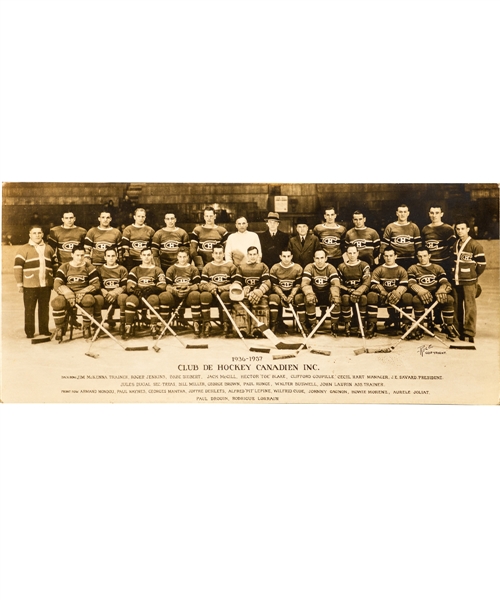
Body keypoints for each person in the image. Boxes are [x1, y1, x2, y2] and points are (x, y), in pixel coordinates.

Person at [14, 225, 57, 338]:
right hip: (29, 285)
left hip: (45, 285)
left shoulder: (49, 249)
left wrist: (53, 281)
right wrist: (20, 283)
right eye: (34, 233)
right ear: (30, 235)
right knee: (29, 308)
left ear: (43, 234)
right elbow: (18, 267)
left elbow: (55, 266)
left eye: (39, 233)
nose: (37, 235)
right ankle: (29, 331)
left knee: (44, 307)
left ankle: (44, 330)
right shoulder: (23, 249)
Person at [51, 246, 101, 341]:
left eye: (82, 255)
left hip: (83, 294)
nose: (80, 257)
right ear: (72, 255)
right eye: (77, 255)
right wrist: (68, 293)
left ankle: (86, 327)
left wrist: (83, 291)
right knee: (57, 303)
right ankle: (59, 328)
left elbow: (96, 284)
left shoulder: (89, 267)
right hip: (68, 294)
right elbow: (57, 283)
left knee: (89, 300)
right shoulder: (65, 267)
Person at [407, 248, 458, 341]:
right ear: (417, 257)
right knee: (415, 300)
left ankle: (448, 326)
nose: (422, 258)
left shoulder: (437, 268)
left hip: (436, 295)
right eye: (420, 256)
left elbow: (445, 282)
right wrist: (420, 290)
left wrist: (442, 289)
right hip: (421, 295)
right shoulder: (413, 268)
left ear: (429, 256)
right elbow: (411, 284)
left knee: (449, 298)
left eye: (425, 256)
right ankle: (420, 326)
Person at [452, 220, 487, 343]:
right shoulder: (455, 244)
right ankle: (458, 329)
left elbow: (481, 264)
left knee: (470, 306)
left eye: (462, 229)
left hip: (469, 281)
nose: (460, 231)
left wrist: (473, 275)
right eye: (458, 229)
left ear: (468, 229)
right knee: (456, 306)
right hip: (456, 280)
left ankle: (469, 331)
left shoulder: (475, 245)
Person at [366, 248, 413, 338]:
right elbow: (373, 284)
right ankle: (372, 324)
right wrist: (383, 291)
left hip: (397, 297)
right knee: (371, 295)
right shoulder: (378, 269)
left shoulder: (401, 270)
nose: (389, 258)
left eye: (391, 255)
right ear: (383, 257)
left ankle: (407, 324)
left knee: (408, 296)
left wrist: (397, 293)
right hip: (382, 296)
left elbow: (404, 285)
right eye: (386, 256)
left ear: (395, 256)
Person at [123, 247, 167, 340]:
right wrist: (135, 289)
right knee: (130, 301)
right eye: (144, 255)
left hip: (151, 295)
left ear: (152, 256)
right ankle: (128, 326)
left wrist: (154, 289)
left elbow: (162, 285)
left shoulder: (157, 269)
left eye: (148, 255)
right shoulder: (135, 269)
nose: (146, 257)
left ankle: (153, 325)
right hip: (138, 295)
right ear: (140, 256)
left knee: (154, 299)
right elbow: (129, 284)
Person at [233, 246, 272, 338]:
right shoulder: (241, 267)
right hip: (246, 294)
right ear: (247, 255)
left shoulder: (263, 266)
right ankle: (242, 329)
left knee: (261, 305)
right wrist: (241, 290)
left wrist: (259, 291)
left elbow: (266, 282)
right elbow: (237, 282)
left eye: (254, 254)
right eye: (250, 254)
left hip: (259, 294)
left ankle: (258, 329)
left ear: (258, 255)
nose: (252, 256)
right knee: (240, 305)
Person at [199, 244, 237, 338]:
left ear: (223, 254)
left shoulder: (230, 266)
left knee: (225, 295)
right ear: (212, 255)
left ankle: (225, 323)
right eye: (216, 253)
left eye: (220, 253)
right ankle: (207, 323)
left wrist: (222, 288)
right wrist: (210, 287)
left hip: (224, 293)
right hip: (212, 294)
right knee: (204, 295)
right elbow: (202, 284)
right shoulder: (207, 266)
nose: (218, 255)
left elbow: (235, 283)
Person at [163, 247, 203, 337]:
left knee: (196, 295)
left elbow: (197, 285)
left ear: (188, 257)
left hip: (188, 294)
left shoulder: (193, 269)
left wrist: (190, 289)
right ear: (177, 257)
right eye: (180, 257)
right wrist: (174, 291)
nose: (182, 259)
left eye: (184, 257)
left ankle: (196, 322)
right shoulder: (171, 269)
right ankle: (164, 323)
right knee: (164, 296)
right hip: (175, 294)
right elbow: (167, 286)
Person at [301, 249, 341, 335]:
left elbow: (335, 283)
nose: (319, 261)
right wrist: (309, 293)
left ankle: (334, 324)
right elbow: (305, 283)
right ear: (314, 259)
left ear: (326, 258)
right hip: (315, 294)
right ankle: (313, 324)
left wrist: (335, 295)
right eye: (317, 258)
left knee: (335, 298)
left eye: (322, 258)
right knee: (309, 299)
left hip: (326, 293)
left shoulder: (330, 267)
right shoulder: (309, 267)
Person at [268, 249, 306, 334]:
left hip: (293, 293)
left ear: (292, 256)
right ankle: (274, 324)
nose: (286, 259)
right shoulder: (275, 268)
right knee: (273, 298)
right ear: (280, 257)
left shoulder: (297, 268)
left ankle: (303, 324)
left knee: (300, 298)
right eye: (284, 256)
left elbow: (298, 285)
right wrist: (282, 296)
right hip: (280, 293)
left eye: (288, 256)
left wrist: (291, 295)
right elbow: (274, 286)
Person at [337, 245, 371, 336]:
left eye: (354, 253)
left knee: (363, 299)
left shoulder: (364, 265)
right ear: (346, 254)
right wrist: (348, 290)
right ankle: (347, 324)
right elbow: (339, 283)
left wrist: (358, 291)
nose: (352, 255)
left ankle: (361, 324)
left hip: (360, 292)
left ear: (358, 253)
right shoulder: (341, 266)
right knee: (344, 298)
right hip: (348, 291)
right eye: (350, 253)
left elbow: (367, 281)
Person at [95, 248, 128, 336]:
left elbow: (124, 285)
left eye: (113, 256)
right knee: (97, 299)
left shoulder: (122, 269)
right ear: (105, 257)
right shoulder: (99, 269)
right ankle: (98, 325)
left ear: (116, 257)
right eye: (108, 256)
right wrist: (103, 291)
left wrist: (115, 292)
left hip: (117, 296)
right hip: (105, 295)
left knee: (123, 297)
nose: (111, 258)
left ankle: (122, 323)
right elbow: (97, 285)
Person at [379, 204, 421, 272]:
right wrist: (381, 256)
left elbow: (418, 245)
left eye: (405, 212)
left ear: (408, 213)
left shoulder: (414, 227)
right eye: (400, 212)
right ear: (397, 213)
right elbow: (384, 244)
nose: (402, 214)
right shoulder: (390, 227)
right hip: (395, 259)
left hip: (411, 259)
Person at [420, 206, 456, 279]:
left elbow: (453, 248)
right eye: (432, 213)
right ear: (429, 214)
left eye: (437, 213)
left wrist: (452, 264)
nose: (434, 215)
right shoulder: (425, 229)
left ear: (441, 214)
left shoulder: (448, 229)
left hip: (444, 262)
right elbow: (423, 247)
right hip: (430, 263)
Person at [190, 206, 229, 271]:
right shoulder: (197, 230)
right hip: (202, 263)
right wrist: (199, 263)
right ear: (204, 217)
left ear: (215, 216)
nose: (209, 218)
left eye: (211, 216)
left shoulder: (222, 231)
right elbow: (193, 249)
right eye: (207, 216)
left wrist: (221, 262)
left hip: (218, 263)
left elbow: (227, 249)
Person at [121, 207, 155, 272]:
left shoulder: (150, 230)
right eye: (138, 216)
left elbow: (152, 248)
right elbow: (125, 248)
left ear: (145, 217)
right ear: (134, 217)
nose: (140, 218)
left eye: (142, 216)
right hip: (132, 261)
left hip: (146, 260)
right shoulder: (128, 229)